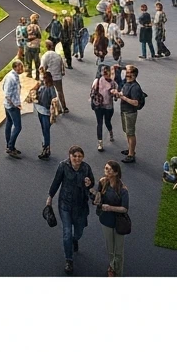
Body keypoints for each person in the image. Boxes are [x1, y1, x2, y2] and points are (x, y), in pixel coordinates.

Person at [47, 145, 96, 275]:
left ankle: (75, 240)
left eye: (80, 156)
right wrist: (50, 197)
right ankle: (69, 259)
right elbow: (56, 181)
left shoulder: (86, 168)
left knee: (79, 231)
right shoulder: (63, 166)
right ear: (70, 156)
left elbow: (92, 183)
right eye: (74, 156)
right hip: (65, 204)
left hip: (80, 205)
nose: (77, 158)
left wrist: (89, 184)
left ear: (83, 157)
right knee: (67, 232)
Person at [95, 160, 131, 277]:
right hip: (106, 220)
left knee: (118, 252)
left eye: (109, 169)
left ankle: (118, 273)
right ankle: (112, 267)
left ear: (116, 173)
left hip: (119, 222)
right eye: (105, 168)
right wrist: (95, 197)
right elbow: (97, 197)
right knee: (110, 249)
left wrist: (110, 208)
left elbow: (125, 209)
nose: (106, 170)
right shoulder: (102, 182)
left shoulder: (123, 190)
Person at [114, 65, 145, 164]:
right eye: (127, 74)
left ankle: (131, 154)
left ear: (135, 76)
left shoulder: (135, 87)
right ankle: (130, 150)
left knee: (130, 133)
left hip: (130, 112)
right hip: (124, 111)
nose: (127, 76)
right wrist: (118, 94)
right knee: (127, 131)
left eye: (129, 74)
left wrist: (122, 97)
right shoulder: (127, 83)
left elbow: (135, 102)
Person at [90, 65, 117, 152]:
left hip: (108, 106)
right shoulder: (97, 81)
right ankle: (100, 143)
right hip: (99, 105)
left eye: (107, 72)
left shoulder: (113, 83)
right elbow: (92, 92)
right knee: (99, 123)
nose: (105, 74)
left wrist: (114, 93)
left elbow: (116, 98)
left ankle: (110, 131)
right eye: (104, 72)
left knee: (107, 122)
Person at [1, 60, 25, 158]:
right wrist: (16, 104)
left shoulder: (12, 76)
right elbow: (7, 94)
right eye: (21, 67)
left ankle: (9, 145)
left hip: (8, 105)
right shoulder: (12, 78)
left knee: (9, 123)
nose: (22, 69)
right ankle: (10, 147)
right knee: (18, 127)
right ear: (16, 67)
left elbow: (3, 87)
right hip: (12, 107)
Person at [39, 40, 67, 115]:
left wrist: (42, 78)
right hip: (58, 77)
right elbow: (62, 67)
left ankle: (55, 109)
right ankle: (64, 107)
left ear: (46, 47)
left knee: (51, 95)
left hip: (49, 79)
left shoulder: (45, 56)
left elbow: (42, 68)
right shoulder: (58, 55)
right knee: (60, 92)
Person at [34, 70, 57, 159]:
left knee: (46, 131)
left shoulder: (51, 88)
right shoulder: (41, 85)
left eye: (43, 77)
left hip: (46, 112)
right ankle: (45, 145)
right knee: (44, 130)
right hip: (40, 110)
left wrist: (53, 113)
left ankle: (46, 149)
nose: (42, 79)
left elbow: (54, 100)